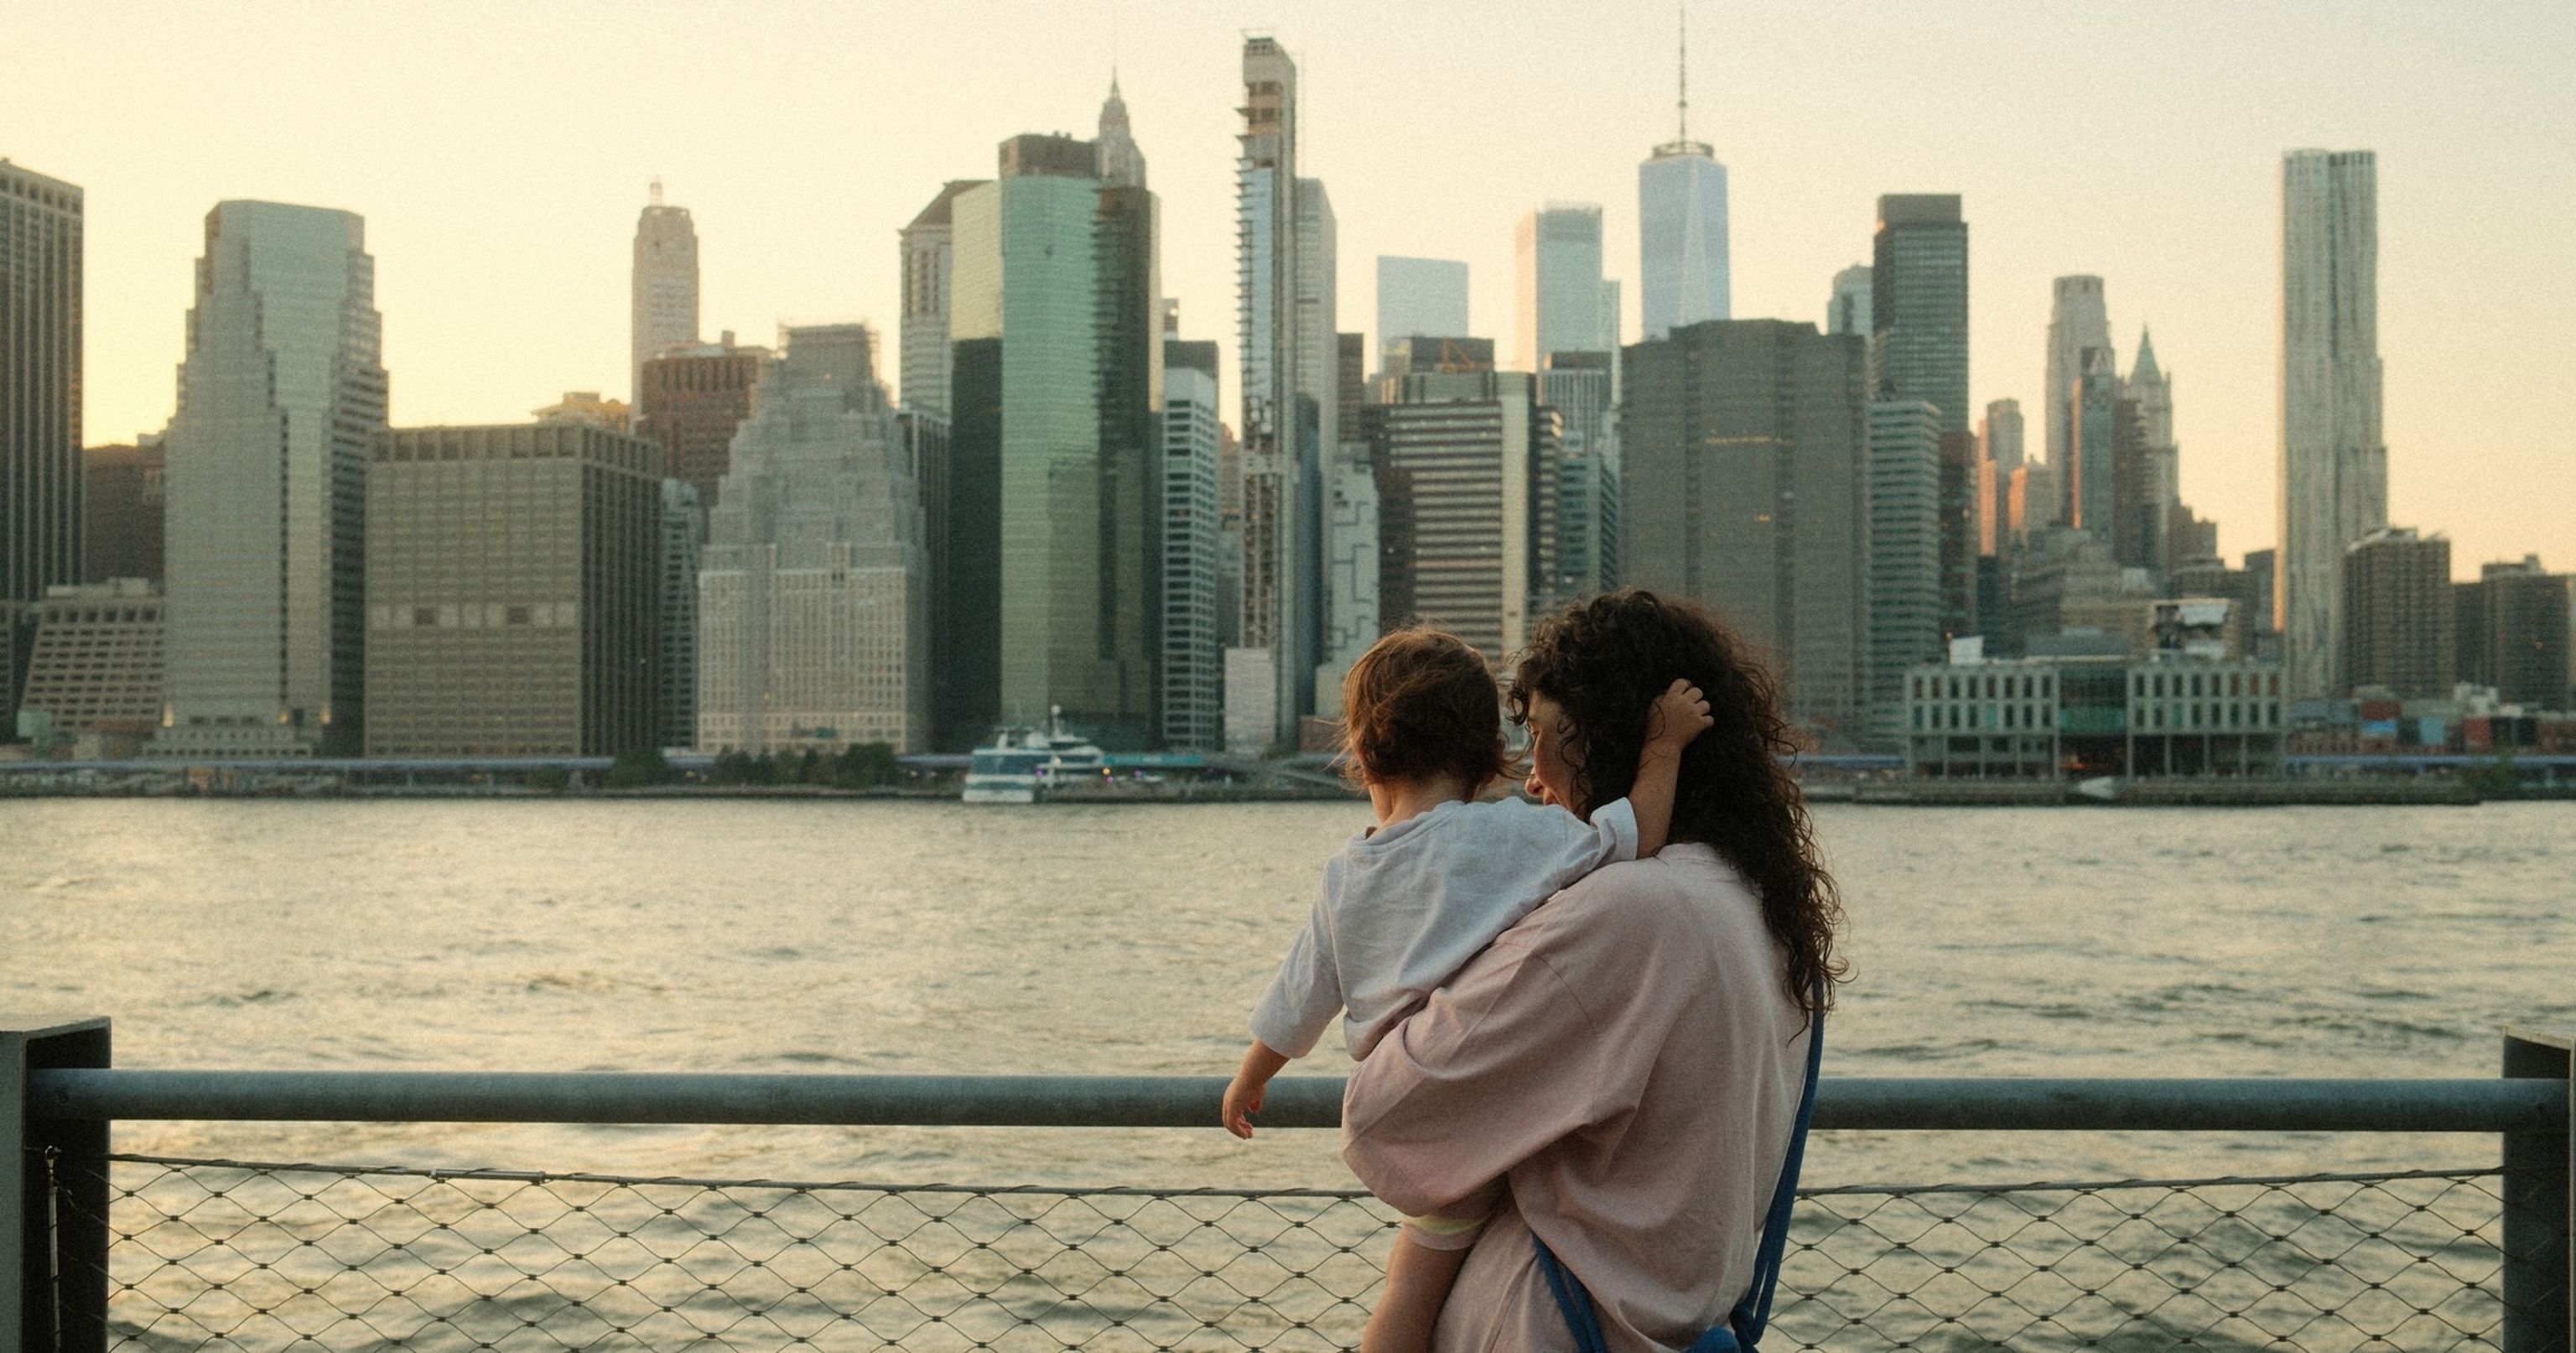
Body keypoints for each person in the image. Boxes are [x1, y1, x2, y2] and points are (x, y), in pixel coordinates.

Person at [1340, 590, 1845, 1353]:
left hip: (1546, 1325)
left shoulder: (1626, 913)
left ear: (1605, 735)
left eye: (1544, 736)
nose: (1534, 778)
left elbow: (1386, 1114)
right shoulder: (1756, 907)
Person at [1222, 625, 1713, 1353]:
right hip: (1494, 1104)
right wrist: (1663, 747)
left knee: (1408, 1290)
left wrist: (1251, 1076)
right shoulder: (1510, 836)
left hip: (1416, 1121)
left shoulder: (1347, 873)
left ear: (1360, 752)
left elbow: (1301, 996)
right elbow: (1633, 833)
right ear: (1489, 755)